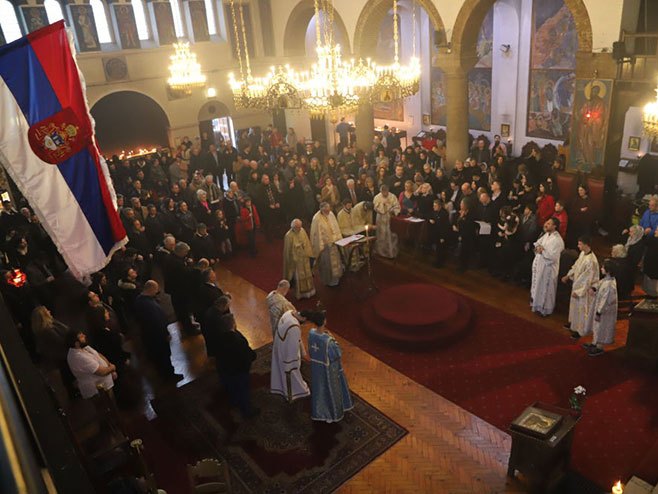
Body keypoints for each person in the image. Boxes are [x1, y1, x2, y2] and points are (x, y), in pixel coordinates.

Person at [305, 310, 353, 423]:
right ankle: (332, 413)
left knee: (319, 389)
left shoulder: (311, 333)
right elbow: (337, 354)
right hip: (328, 370)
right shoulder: (328, 341)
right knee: (330, 389)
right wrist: (333, 339)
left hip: (316, 368)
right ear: (324, 321)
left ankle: (320, 411)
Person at [209, 313, 258, 418]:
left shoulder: (216, 336)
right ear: (233, 324)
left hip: (224, 368)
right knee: (243, 392)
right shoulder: (238, 341)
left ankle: (234, 401)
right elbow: (247, 356)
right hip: (238, 371)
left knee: (231, 387)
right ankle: (247, 412)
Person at [134, 281, 182, 381]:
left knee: (159, 357)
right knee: (163, 356)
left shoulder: (139, 299)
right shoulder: (149, 306)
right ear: (150, 289)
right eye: (156, 290)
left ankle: (163, 373)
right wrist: (166, 334)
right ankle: (169, 376)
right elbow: (156, 323)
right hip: (157, 337)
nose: (157, 292)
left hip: (149, 335)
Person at [561, 236, 599, 339]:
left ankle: (580, 331)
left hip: (584, 291)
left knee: (582, 310)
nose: (578, 246)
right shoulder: (582, 254)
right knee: (574, 307)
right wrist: (568, 275)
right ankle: (573, 323)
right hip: (577, 286)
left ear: (586, 245)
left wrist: (578, 291)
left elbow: (587, 279)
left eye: (580, 244)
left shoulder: (591, 261)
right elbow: (576, 266)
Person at [271, 309, 310, 403]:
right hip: (287, 357)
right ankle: (292, 394)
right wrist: (292, 362)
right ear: (304, 318)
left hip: (280, 347)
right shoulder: (294, 327)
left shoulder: (289, 313)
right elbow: (292, 347)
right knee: (291, 376)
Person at [66, 330, 117, 399]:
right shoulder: (78, 357)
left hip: (105, 385)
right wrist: (112, 368)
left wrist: (109, 367)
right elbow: (101, 372)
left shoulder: (84, 347)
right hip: (98, 391)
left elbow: (99, 355)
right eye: (81, 337)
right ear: (76, 344)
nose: (85, 336)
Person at [582, 260, 618, 357]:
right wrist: (594, 288)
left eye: (603, 268)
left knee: (601, 328)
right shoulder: (607, 279)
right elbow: (599, 283)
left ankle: (599, 347)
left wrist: (599, 312)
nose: (601, 269)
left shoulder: (610, 285)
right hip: (600, 310)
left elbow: (605, 301)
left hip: (604, 312)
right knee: (597, 327)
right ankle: (595, 342)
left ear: (608, 270)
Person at [530, 217, 565, 317]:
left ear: (554, 226)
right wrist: (539, 248)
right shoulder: (546, 235)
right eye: (547, 222)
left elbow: (553, 256)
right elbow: (538, 243)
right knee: (538, 286)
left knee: (547, 289)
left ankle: (545, 310)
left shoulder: (557, 240)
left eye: (549, 224)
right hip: (541, 266)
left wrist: (543, 250)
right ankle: (537, 305)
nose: (546, 224)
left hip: (549, 268)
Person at [310, 202, 343, 287]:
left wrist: (338, 238)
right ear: (322, 209)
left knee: (336, 261)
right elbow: (315, 234)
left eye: (329, 210)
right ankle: (328, 281)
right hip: (325, 247)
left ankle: (336, 278)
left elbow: (335, 226)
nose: (328, 212)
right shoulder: (316, 218)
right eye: (326, 211)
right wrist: (323, 244)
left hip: (334, 243)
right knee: (327, 264)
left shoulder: (331, 214)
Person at [282, 219, 316, 299]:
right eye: (298, 228)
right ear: (293, 227)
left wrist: (309, 254)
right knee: (299, 277)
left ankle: (309, 292)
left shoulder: (302, 231)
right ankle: (300, 294)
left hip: (305, 258)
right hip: (296, 261)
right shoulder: (288, 236)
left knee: (308, 274)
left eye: (300, 227)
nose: (299, 229)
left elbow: (307, 243)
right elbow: (288, 252)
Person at [373, 185, 401, 259]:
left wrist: (393, 211)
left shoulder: (392, 196)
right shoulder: (377, 197)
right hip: (381, 219)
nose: (385, 194)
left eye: (386, 192)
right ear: (381, 191)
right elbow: (376, 208)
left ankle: (392, 252)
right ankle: (381, 252)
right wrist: (383, 205)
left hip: (390, 217)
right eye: (383, 192)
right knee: (381, 235)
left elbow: (397, 206)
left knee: (391, 234)